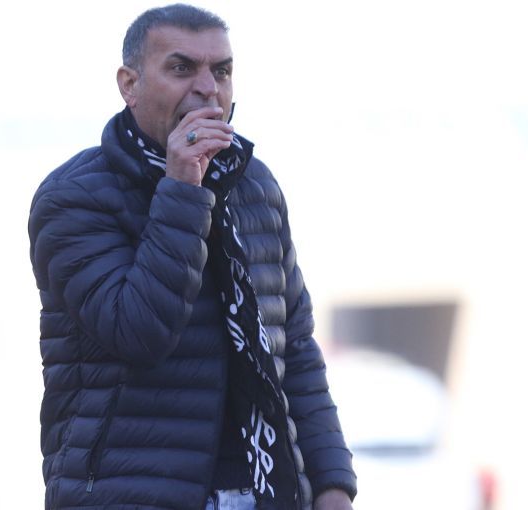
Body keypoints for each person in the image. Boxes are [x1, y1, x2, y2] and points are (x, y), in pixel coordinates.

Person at [28, 4, 357, 509]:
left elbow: (294, 351)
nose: (207, 88)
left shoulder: (254, 185)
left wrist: (332, 483)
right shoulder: (74, 197)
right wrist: (183, 188)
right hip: (128, 493)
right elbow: (138, 333)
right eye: (182, 68)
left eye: (221, 71)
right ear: (129, 85)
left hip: (264, 492)